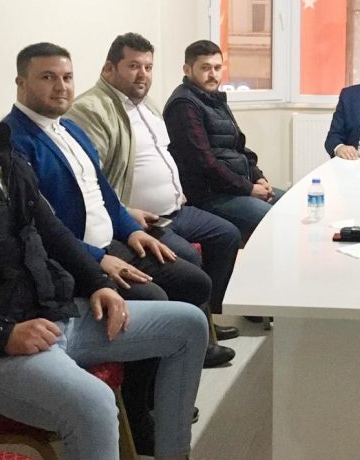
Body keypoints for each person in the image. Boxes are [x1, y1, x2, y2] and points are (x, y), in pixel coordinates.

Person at [0, 55, 240, 460]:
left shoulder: (4, 162)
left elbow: (53, 233)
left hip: (54, 318)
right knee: (94, 404)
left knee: (188, 324)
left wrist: (99, 284)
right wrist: (4, 334)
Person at [0, 42, 234, 366]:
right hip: (72, 258)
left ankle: (173, 366)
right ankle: (143, 393)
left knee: (194, 282)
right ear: (21, 83)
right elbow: (37, 227)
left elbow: (104, 194)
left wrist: (133, 231)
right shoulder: (10, 141)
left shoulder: (69, 128)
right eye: (48, 77)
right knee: (154, 299)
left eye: (67, 77)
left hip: (113, 242)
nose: (61, 86)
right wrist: (97, 259)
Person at [58, 35, 242, 342]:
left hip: (176, 209)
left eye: (148, 67)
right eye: (133, 66)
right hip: (141, 219)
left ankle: (207, 320)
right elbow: (92, 179)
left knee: (227, 235)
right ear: (109, 69)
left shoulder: (147, 105)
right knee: (186, 258)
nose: (142, 74)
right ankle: (196, 337)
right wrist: (126, 213)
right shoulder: (91, 110)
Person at [159, 39, 281, 241]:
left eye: (217, 68)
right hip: (210, 196)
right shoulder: (184, 104)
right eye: (205, 68)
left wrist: (258, 177)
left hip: (235, 187)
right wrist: (249, 189)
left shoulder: (214, 98)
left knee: (293, 205)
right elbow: (205, 163)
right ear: (187, 70)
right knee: (275, 220)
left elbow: (238, 146)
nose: (213, 74)